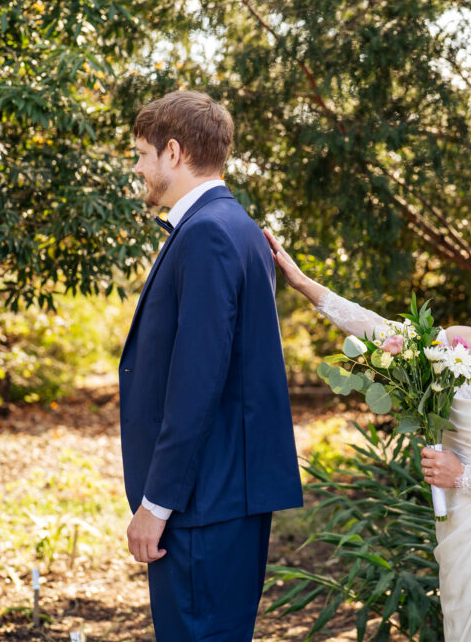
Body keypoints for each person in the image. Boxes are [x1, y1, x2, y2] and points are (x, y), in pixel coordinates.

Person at [264, 220, 471, 641]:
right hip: (458, 536)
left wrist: (462, 475)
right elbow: (384, 335)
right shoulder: (462, 342)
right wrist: (303, 283)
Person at [119, 90, 303, 640]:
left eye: (141, 153)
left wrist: (157, 503)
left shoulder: (206, 235)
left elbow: (197, 381)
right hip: (220, 494)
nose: (138, 167)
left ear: (172, 152)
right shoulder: (233, 225)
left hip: (203, 502)